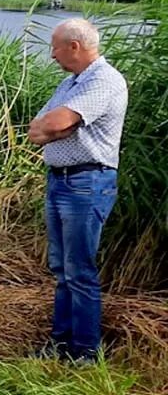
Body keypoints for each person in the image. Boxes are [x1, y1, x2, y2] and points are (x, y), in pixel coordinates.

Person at [27, 18, 127, 362]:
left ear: (74, 46)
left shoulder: (105, 81)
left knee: (79, 270)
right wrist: (59, 128)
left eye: (54, 47)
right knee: (61, 270)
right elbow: (36, 129)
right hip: (60, 181)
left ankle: (84, 352)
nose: (51, 55)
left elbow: (53, 123)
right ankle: (60, 344)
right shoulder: (72, 83)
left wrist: (58, 127)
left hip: (87, 183)